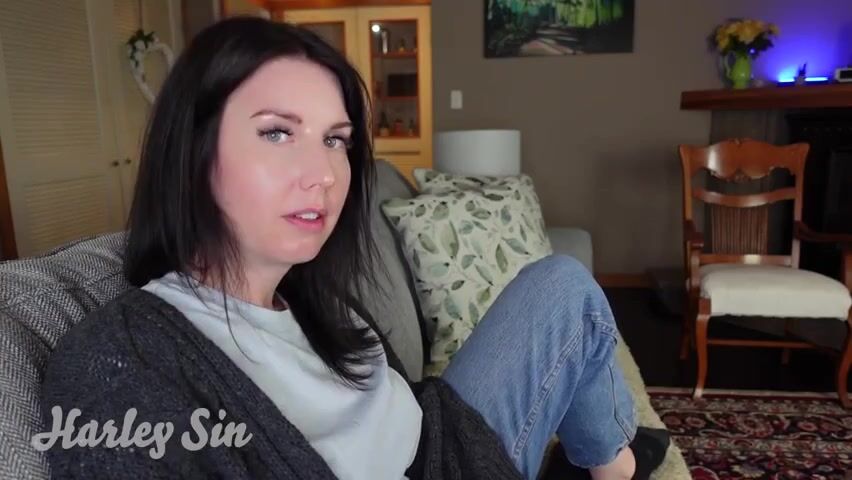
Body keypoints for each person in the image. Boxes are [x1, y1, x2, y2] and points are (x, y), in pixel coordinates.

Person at [39, 17, 641, 480]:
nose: (324, 174)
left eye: (335, 140)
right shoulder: (119, 363)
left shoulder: (315, 296)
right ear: (192, 152)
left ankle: (613, 465)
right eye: (277, 132)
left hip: (445, 440)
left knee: (563, 285)